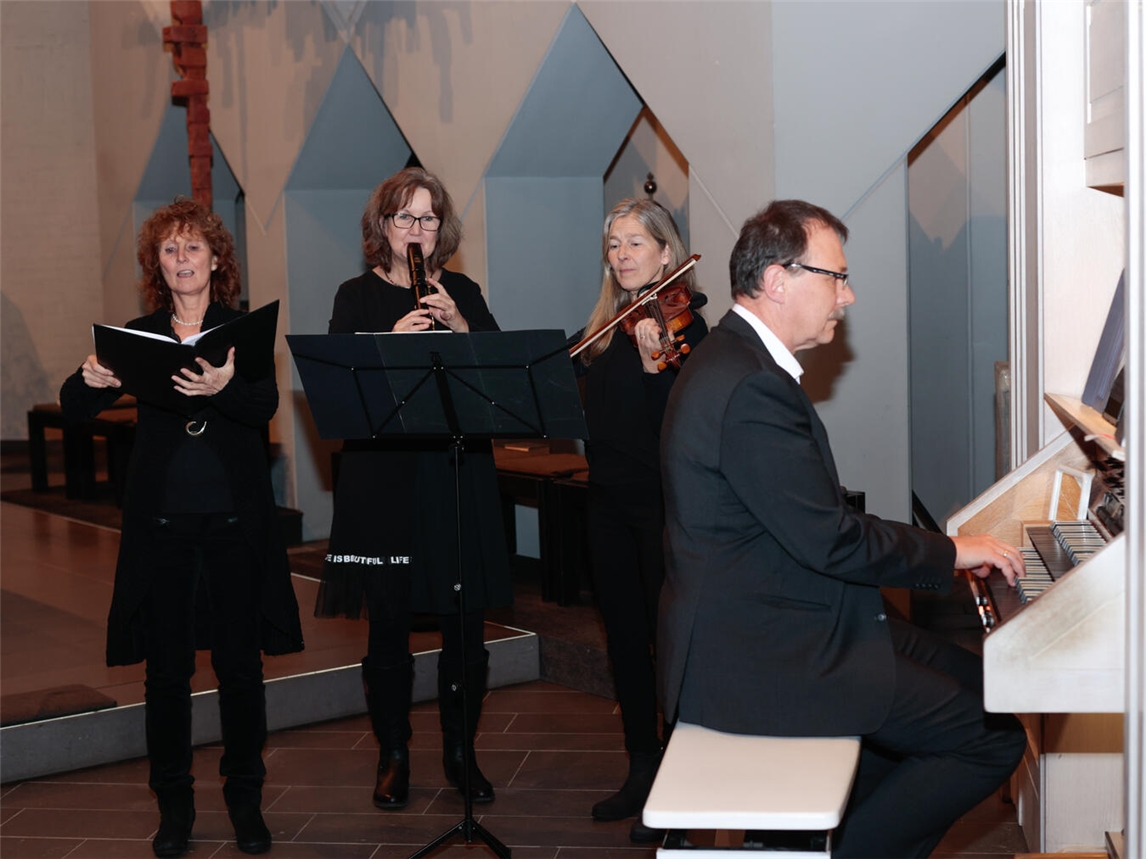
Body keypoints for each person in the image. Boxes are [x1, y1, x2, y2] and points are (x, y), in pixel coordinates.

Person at [658, 199, 1028, 859]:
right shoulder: (749, 387)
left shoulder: (742, 363)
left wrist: (942, 554)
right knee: (990, 737)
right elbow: (829, 538)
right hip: (757, 656)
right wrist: (950, 552)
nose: (848, 296)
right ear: (778, 280)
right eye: (836, 277)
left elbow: (816, 525)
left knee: (989, 691)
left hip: (780, 618)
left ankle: (819, 838)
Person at [59, 199, 304, 858]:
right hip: (162, 525)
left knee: (239, 669)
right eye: (170, 250)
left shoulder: (241, 332)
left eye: (195, 248)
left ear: (216, 259)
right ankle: (174, 805)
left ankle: (245, 799)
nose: (183, 259)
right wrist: (89, 377)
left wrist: (223, 385)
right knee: (167, 673)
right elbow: (76, 406)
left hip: (233, 523)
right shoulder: (139, 335)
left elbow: (262, 407)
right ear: (157, 265)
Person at [317, 167, 511, 810]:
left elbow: (500, 379)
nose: (417, 230)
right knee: (389, 623)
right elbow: (340, 389)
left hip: (454, 474)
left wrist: (457, 322)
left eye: (428, 219)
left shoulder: (463, 291)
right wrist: (386, 346)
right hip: (386, 478)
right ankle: (393, 753)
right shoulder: (355, 295)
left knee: (465, 625)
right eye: (405, 218)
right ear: (383, 227)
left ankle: (462, 753)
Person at [576, 199, 707, 842]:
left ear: (666, 252)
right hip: (605, 503)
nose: (622, 255)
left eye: (636, 243)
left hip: (663, 506)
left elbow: (681, 433)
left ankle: (681, 777)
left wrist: (658, 367)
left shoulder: (688, 329)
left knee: (670, 645)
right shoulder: (600, 333)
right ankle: (641, 768)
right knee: (623, 640)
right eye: (614, 244)